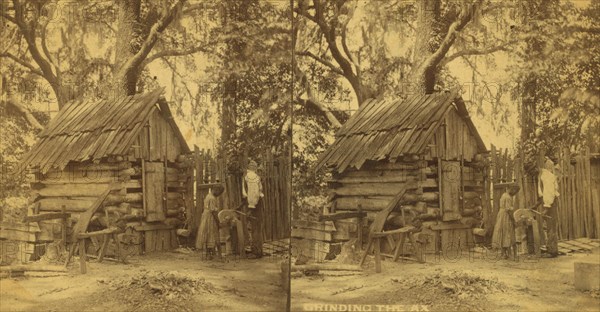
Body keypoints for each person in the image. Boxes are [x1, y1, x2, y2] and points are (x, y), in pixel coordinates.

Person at [196, 185, 225, 259]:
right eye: (219, 192)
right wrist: (218, 221)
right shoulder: (212, 198)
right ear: (215, 190)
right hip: (210, 217)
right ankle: (217, 255)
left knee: (207, 234)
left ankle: (208, 254)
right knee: (213, 234)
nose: (219, 194)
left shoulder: (208, 196)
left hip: (205, 216)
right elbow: (213, 211)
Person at [538, 158, 560, 258]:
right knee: (551, 227)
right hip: (551, 203)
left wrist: (546, 207)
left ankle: (552, 251)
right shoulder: (550, 176)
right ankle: (552, 249)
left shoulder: (547, 176)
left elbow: (549, 193)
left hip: (550, 205)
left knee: (551, 227)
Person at [242, 160, 264, 258]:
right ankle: (256, 250)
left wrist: (250, 207)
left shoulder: (247, 178)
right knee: (256, 228)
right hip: (257, 204)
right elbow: (258, 192)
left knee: (254, 228)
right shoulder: (257, 178)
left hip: (253, 205)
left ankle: (256, 252)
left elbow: (248, 194)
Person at [492, 183, 520, 259]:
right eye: (515, 191)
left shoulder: (504, 195)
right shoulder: (508, 197)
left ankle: (504, 253)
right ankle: (510, 254)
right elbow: (509, 210)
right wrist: (514, 219)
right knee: (508, 233)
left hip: (501, 215)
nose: (515, 193)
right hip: (506, 216)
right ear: (511, 189)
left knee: (503, 232)